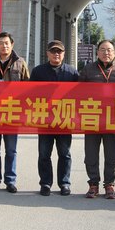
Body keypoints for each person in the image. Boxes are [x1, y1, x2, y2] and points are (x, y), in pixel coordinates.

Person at [79, 39, 115, 199]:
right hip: (92, 118)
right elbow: (78, 93)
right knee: (91, 154)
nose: (106, 53)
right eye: (103, 49)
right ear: (97, 52)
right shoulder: (88, 70)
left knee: (112, 154)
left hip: (112, 120)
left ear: (114, 53)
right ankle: (93, 184)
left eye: (109, 50)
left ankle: (109, 184)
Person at [0, 31, 30, 193]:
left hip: (12, 112)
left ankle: (10, 180)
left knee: (11, 150)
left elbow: (27, 87)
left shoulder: (20, 63)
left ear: (12, 44)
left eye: (7, 43)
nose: (4, 46)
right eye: (1, 43)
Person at [31, 40, 79, 196]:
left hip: (65, 119)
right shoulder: (38, 72)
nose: (56, 54)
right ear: (47, 53)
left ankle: (64, 183)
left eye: (59, 51)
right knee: (44, 154)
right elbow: (30, 94)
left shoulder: (72, 73)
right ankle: (45, 183)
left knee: (64, 154)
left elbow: (80, 96)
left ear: (64, 54)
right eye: (53, 51)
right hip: (44, 120)